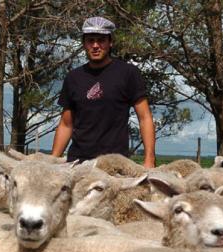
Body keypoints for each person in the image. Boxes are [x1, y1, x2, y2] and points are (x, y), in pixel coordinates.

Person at [51, 17, 156, 167]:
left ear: (110, 42)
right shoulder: (73, 78)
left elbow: (145, 117)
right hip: (77, 164)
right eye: (90, 40)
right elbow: (66, 125)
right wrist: (53, 160)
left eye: (101, 40)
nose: (95, 45)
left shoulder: (128, 73)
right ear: (84, 43)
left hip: (114, 165)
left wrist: (149, 160)